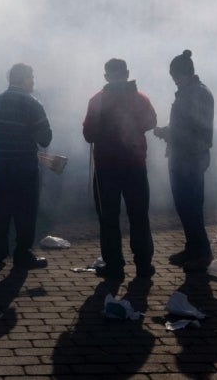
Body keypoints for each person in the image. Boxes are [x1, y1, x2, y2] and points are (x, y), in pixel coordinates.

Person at [83, 58, 157, 280]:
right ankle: (143, 265)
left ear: (106, 77)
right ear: (126, 73)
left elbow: (88, 134)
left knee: (109, 218)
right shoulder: (140, 98)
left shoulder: (97, 100)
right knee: (139, 217)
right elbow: (151, 122)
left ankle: (114, 267)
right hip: (135, 166)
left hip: (107, 169)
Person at [0, 63, 51, 270]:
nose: (33, 82)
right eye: (31, 77)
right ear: (23, 79)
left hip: (0, 165)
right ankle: (22, 255)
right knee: (25, 212)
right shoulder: (33, 104)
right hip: (25, 166)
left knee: (1, 210)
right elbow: (45, 138)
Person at [153, 49, 214, 272]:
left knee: (190, 205)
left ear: (181, 74)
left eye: (174, 77)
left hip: (190, 157)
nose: (174, 82)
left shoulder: (193, 94)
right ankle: (192, 247)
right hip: (188, 155)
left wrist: (166, 133)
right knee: (185, 205)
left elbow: (191, 129)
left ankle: (203, 251)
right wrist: (169, 131)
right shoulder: (194, 92)